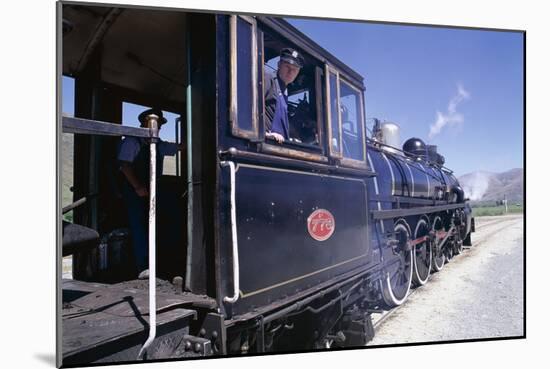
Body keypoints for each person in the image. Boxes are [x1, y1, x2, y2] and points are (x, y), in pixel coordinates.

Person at [118, 108, 183, 279]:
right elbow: (125, 166)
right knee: (139, 225)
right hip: (135, 190)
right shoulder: (132, 141)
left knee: (161, 222)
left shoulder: (158, 143)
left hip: (153, 189)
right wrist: (138, 187)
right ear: (144, 124)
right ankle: (143, 266)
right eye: (155, 124)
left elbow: (176, 148)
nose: (158, 127)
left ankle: (161, 262)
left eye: (159, 124)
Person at [264, 48, 305, 144]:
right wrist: (264, 133)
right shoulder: (268, 78)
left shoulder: (285, 92)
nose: (290, 72)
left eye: (294, 70)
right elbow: (250, 105)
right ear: (279, 65)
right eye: (287, 67)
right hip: (266, 144)